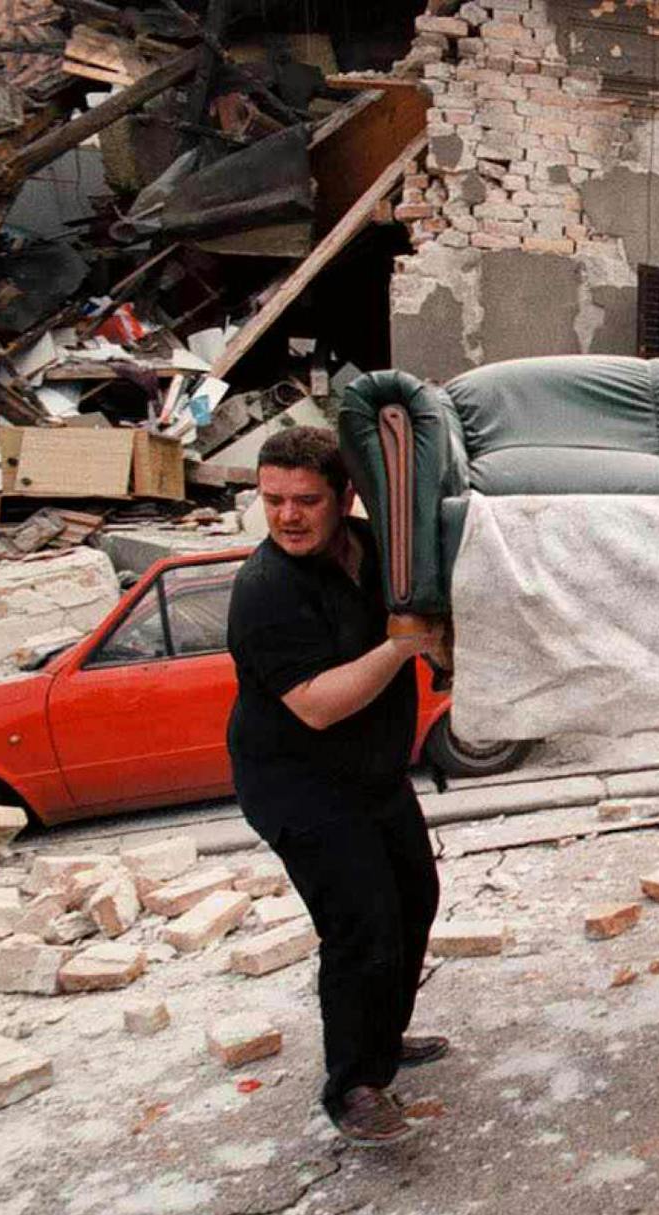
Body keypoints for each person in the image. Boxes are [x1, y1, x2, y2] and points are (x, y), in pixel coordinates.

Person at [226, 426, 447, 1146]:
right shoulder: (264, 591)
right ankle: (353, 1084)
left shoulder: (374, 544)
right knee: (362, 925)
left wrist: (438, 642)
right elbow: (318, 704)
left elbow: (427, 609)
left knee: (416, 896)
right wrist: (402, 645)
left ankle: (382, 1034)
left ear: (345, 495)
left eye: (306, 500)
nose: (288, 516)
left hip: (372, 771)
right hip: (300, 784)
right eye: (272, 500)